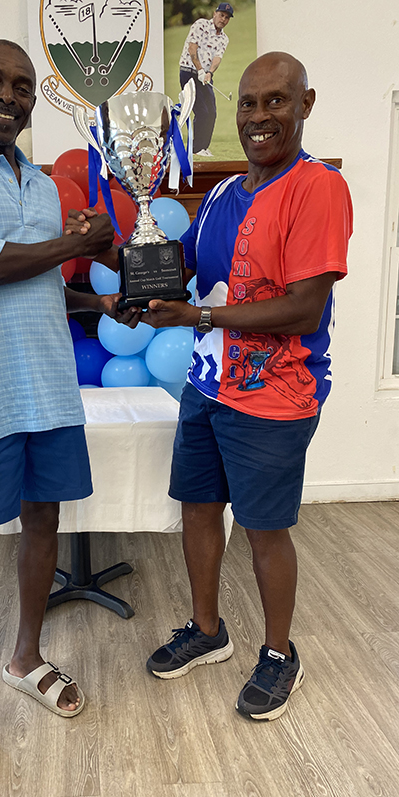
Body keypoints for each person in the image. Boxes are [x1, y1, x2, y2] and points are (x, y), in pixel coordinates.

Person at [68, 52, 352, 722]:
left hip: (276, 395)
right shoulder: (224, 194)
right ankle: (207, 630)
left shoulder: (318, 188)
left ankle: (279, 653)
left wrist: (196, 318)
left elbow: (303, 308)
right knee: (199, 508)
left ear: (305, 104)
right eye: (249, 103)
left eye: (276, 100)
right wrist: (108, 252)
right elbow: (176, 271)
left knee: (263, 529)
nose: (259, 116)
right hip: (207, 383)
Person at [0, 39, 139, 794]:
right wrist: (72, 243)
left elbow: (38, 281)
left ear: (32, 100)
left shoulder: (42, 184)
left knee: (44, 523)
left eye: (21, 85)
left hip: (46, 387)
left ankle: (25, 658)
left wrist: (95, 299)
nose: (7, 96)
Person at [179, 2, 233, 157]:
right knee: (201, 111)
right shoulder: (201, 25)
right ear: (215, 13)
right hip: (188, 72)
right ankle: (195, 149)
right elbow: (192, 48)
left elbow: (217, 58)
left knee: (212, 112)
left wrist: (209, 73)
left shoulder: (224, 38)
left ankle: (203, 147)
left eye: (227, 17)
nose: (223, 19)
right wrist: (200, 70)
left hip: (205, 77)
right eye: (221, 15)